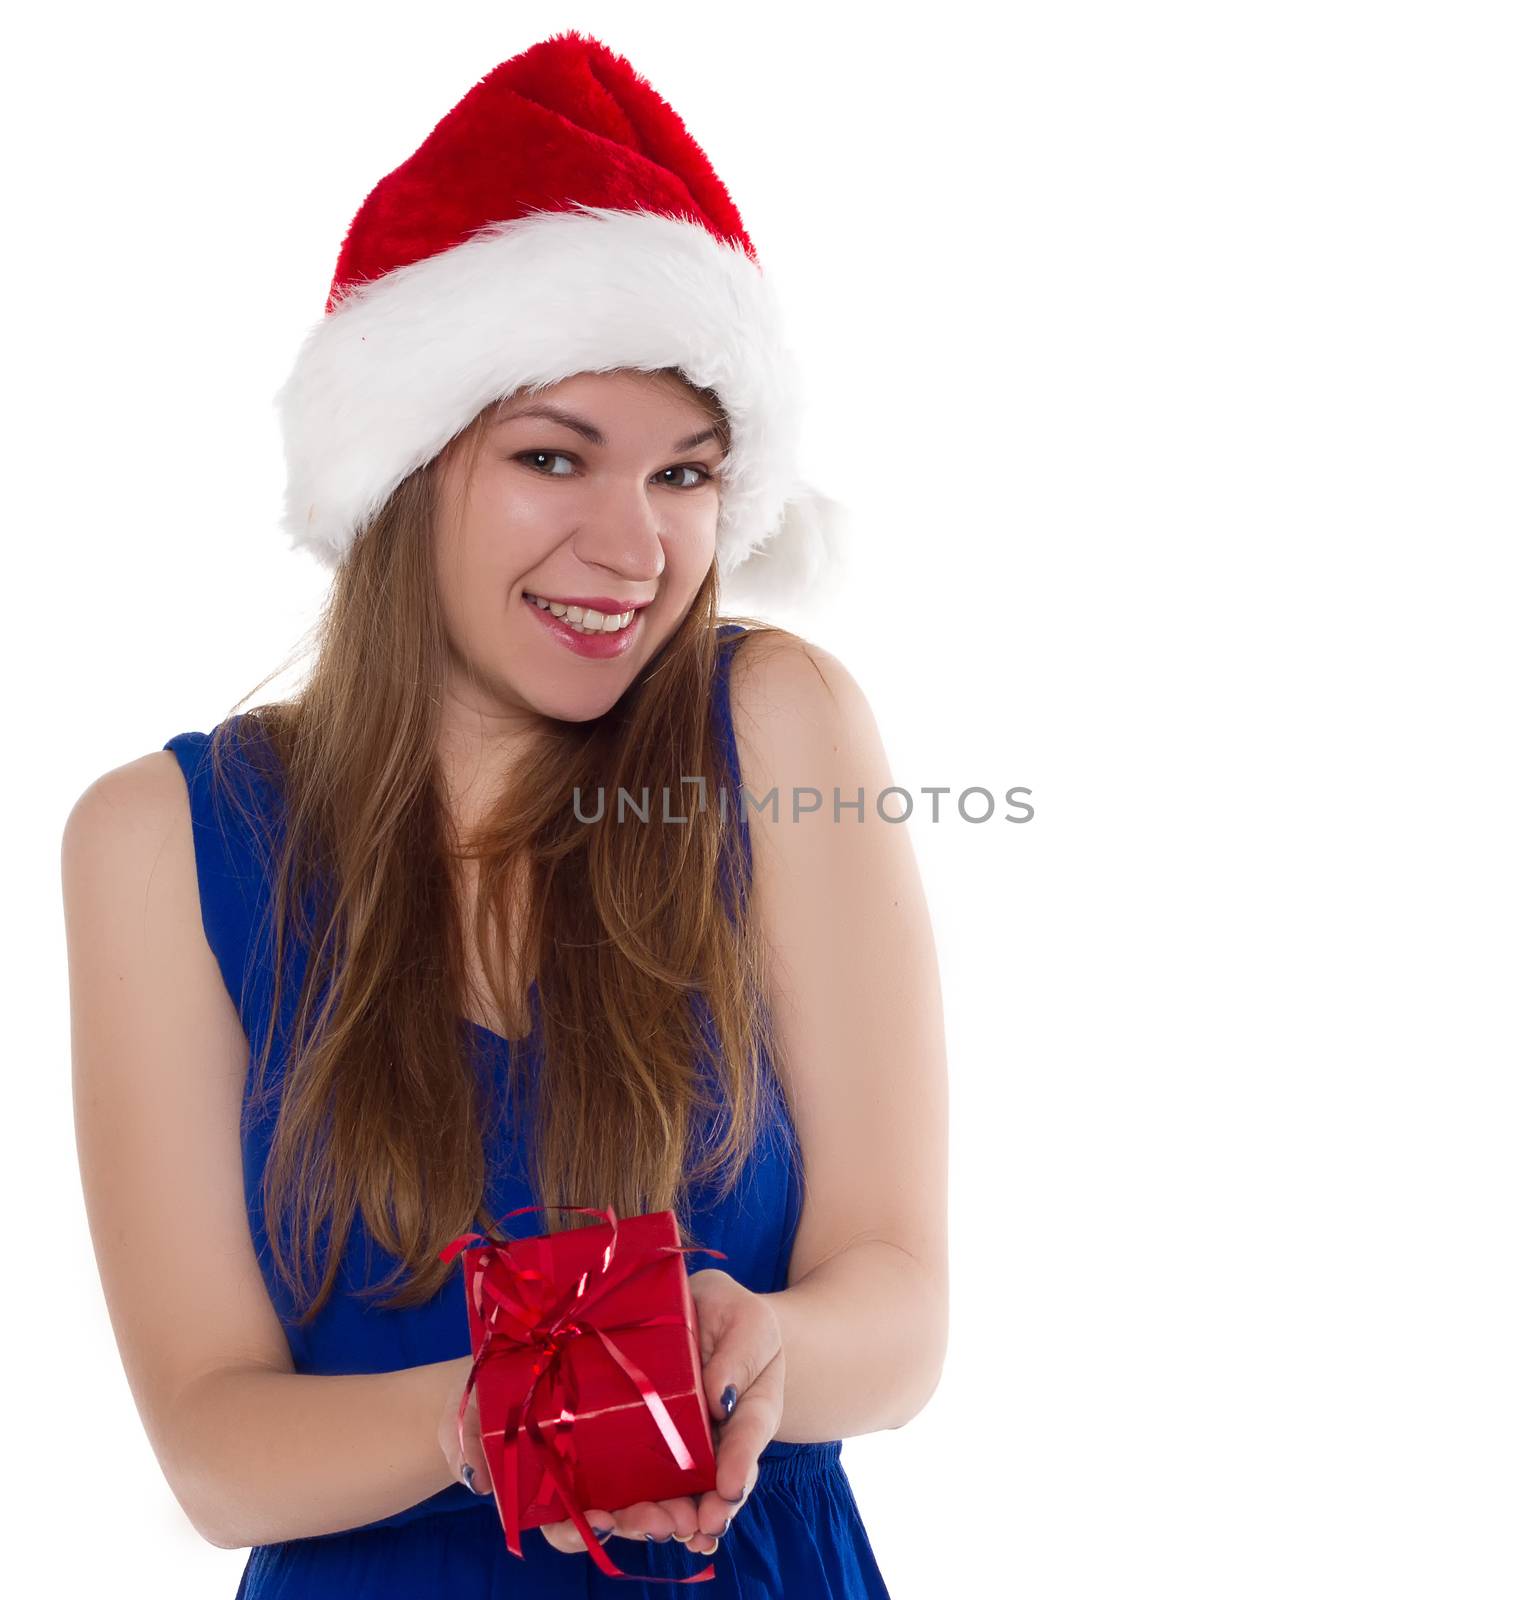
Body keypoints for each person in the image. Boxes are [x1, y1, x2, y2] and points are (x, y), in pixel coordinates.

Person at [61, 29, 947, 1598]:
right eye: (556, 457)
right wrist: (502, 1418)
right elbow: (212, 1450)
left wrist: (773, 1344)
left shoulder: (777, 724)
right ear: (400, 474)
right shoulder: (157, 839)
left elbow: (900, 1304)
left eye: (687, 477)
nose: (635, 548)